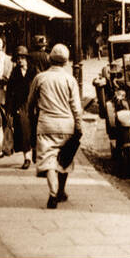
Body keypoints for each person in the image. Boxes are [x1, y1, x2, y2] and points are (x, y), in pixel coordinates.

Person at [26, 44, 84, 208]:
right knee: (64, 159)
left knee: (48, 160)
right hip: (67, 124)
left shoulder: (40, 78)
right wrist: (79, 126)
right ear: (66, 62)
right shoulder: (70, 80)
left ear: (49, 59)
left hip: (46, 125)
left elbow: (30, 103)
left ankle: (53, 193)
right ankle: (61, 192)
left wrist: (32, 119)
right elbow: (76, 107)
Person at [7, 45, 37, 169]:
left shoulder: (34, 71)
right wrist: (8, 109)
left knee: (34, 131)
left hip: (34, 105)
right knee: (24, 132)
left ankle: (34, 150)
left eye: (22, 58)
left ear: (27, 59)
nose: (20, 60)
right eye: (18, 58)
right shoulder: (14, 72)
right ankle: (27, 158)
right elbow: (9, 91)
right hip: (20, 106)